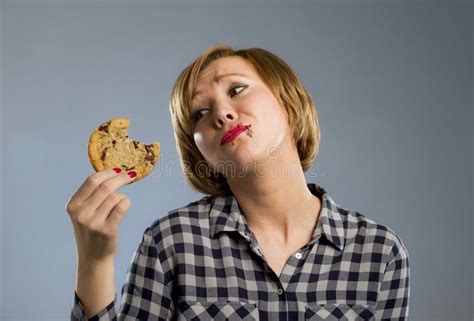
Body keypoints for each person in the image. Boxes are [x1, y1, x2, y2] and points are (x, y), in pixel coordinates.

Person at [67, 44, 410, 320]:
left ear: (288, 103)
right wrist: (94, 263)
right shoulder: (170, 242)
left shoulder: (379, 252)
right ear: (198, 152)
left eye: (237, 89)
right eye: (200, 113)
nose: (221, 113)